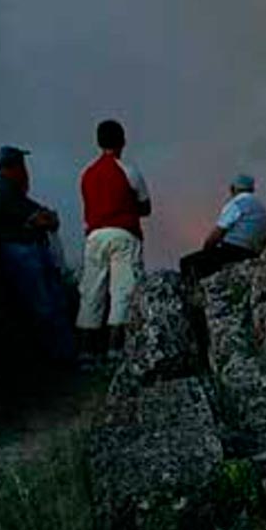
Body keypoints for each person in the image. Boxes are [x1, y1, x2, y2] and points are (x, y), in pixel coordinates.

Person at [0, 146, 74, 364]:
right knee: (45, 305)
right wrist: (45, 218)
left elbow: (39, 213)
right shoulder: (4, 190)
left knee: (49, 302)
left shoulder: (5, 189)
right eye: (21, 164)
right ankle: (60, 356)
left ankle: (60, 354)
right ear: (13, 167)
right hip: (23, 254)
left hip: (24, 252)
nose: (25, 170)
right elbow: (44, 218)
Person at [76, 119, 151, 354]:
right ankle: (115, 349)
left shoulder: (87, 174)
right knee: (123, 291)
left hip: (95, 236)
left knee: (91, 292)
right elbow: (145, 207)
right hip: (124, 234)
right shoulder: (129, 171)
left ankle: (86, 351)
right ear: (123, 141)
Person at [179, 174, 266, 282]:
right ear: (252, 189)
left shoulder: (236, 204)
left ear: (233, 189)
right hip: (252, 253)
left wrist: (207, 250)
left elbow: (217, 233)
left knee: (186, 263)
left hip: (232, 251)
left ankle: (192, 293)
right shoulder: (262, 209)